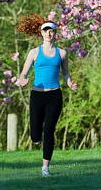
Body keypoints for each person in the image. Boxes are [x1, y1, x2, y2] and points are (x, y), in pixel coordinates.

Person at [16, 14, 78, 177]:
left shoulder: (62, 53)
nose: (48, 33)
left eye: (51, 31)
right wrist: (22, 79)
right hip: (37, 96)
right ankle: (36, 138)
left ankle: (45, 168)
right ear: (41, 33)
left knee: (49, 130)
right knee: (36, 134)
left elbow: (65, 74)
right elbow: (24, 72)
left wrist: (70, 83)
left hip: (54, 96)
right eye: (45, 30)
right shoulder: (34, 52)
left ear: (55, 33)